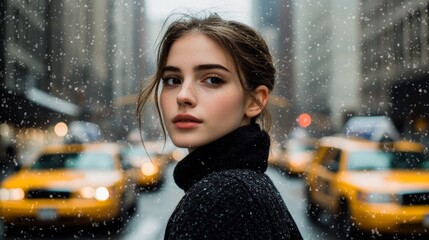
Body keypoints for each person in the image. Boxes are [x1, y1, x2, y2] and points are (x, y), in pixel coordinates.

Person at [137, 12, 303, 240]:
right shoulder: (245, 186)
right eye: (173, 80)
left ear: (255, 101)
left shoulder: (223, 197)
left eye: (213, 79)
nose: (183, 96)